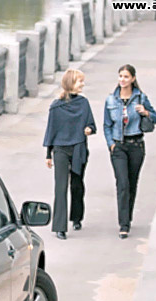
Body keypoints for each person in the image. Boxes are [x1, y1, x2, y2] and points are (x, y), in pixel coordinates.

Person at [103, 64, 156, 239]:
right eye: (120, 76)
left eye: (126, 76)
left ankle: (128, 217)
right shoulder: (111, 99)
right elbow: (107, 125)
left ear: (133, 79)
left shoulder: (141, 98)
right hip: (118, 146)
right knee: (122, 183)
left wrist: (146, 112)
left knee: (132, 183)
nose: (122, 80)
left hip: (136, 145)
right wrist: (111, 144)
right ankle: (123, 224)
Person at [43, 69, 96, 240]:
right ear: (70, 83)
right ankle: (60, 227)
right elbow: (51, 130)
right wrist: (48, 154)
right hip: (60, 149)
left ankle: (76, 217)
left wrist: (89, 129)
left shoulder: (83, 103)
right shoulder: (56, 106)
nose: (82, 84)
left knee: (77, 184)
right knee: (60, 187)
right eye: (79, 81)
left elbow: (91, 124)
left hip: (78, 147)